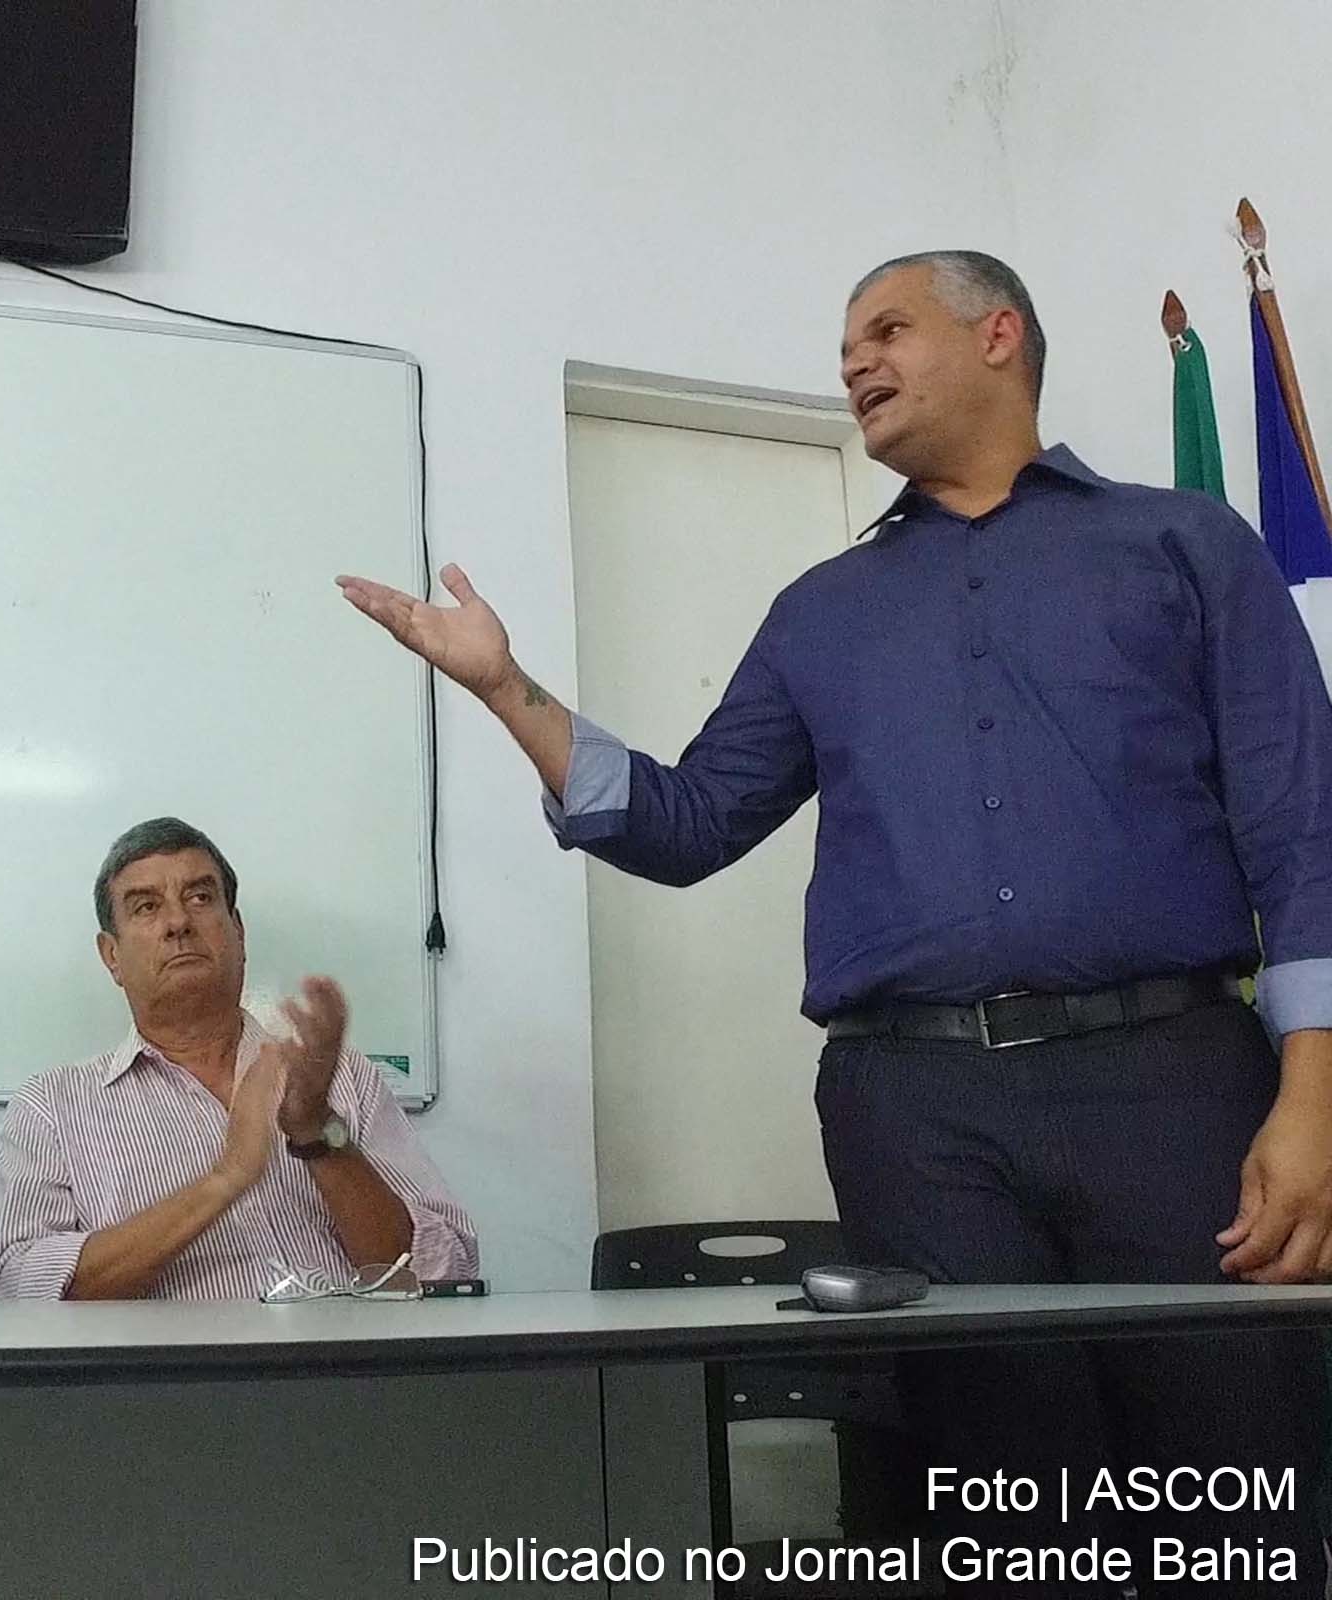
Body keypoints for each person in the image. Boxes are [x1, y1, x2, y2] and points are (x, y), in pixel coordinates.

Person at [342, 251, 1332, 1595]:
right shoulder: (823, 612)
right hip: (919, 1115)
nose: (856, 361)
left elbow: (1301, 825)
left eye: (889, 328)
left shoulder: (1187, 547)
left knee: (1234, 1487)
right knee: (1000, 1509)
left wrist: (1313, 1099)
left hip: (1174, 1088)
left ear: (999, 336)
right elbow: (689, 821)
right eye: (847, 344)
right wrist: (508, 686)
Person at [0, 816, 475, 1301]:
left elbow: (444, 1270)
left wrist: (318, 1134)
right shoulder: (52, 1107)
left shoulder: (339, 1076)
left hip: (345, 1355)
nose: (178, 923)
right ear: (111, 956)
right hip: (177, 1361)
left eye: (200, 897)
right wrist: (225, 1180)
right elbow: (15, 1290)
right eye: (146, 907)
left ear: (238, 931)